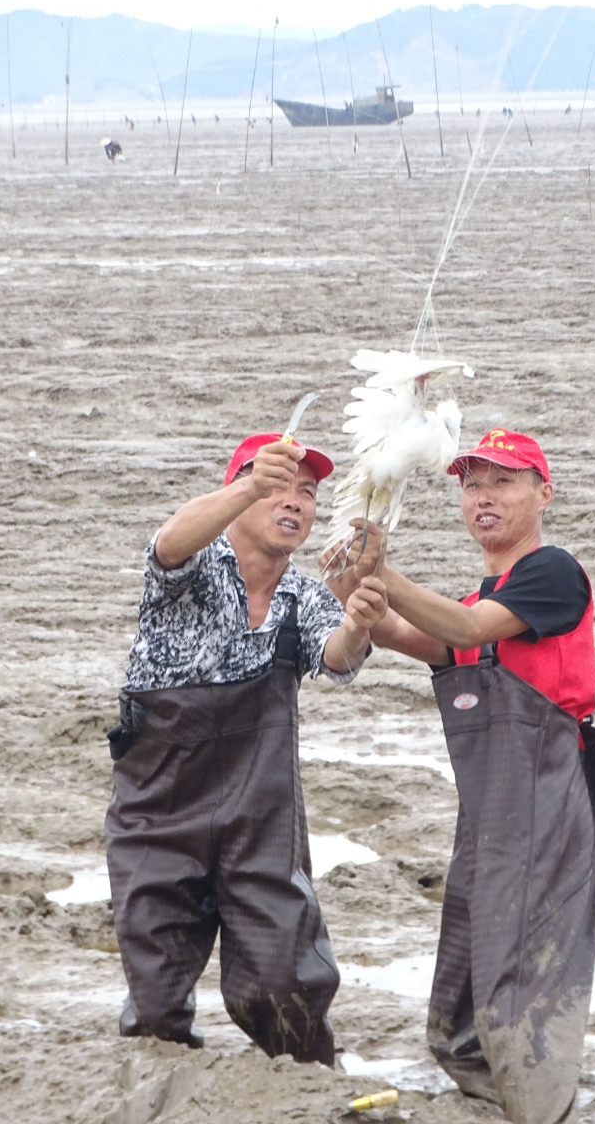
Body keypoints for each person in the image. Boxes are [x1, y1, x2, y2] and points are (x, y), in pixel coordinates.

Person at [326, 428, 595, 1124]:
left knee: (525, 976)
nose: (483, 497)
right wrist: (361, 594)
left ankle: (539, 1106)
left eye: (503, 481)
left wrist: (385, 573)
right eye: (470, 484)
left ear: (543, 493)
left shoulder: (551, 572)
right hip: (492, 807)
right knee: (465, 978)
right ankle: (488, 1097)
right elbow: (424, 639)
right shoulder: (483, 591)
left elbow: (461, 627)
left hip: (552, 795)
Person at [105, 432, 387, 1062]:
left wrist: (358, 623)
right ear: (241, 491)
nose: (294, 502)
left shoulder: (305, 596)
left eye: (307, 493)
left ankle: (312, 1085)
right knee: (154, 998)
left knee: (285, 981)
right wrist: (248, 484)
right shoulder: (192, 566)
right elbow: (168, 542)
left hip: (260, 815)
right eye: (277, 487)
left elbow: (338, 659)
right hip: (159, 808)